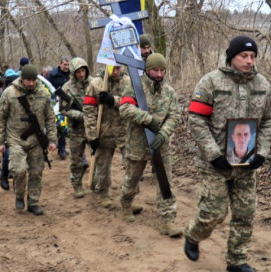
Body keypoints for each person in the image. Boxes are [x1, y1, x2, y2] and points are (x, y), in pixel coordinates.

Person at [184, 36, 271, 272]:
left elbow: (268, 121)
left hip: (246, 162)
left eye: (253, 56)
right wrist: (213, 154)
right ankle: (193, 235)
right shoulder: (211, 82)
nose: (249, 61)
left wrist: (262, 152)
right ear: (231, 56)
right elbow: (196, 119)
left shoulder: (262, 85)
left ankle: (237, 261)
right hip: (215, 164)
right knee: (213, 213)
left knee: (245, 214)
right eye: (243, 56)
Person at [119, 53, 183, 237]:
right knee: (132, 179)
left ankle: (167, 220)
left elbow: (174, 116)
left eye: (162, 70)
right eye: (155, 70)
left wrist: (163, 133)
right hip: (138, 143)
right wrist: (148, 119)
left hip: (160, 144)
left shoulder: (169, 91)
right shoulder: (135, 86)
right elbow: (124, 108)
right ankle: (126, 202)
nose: (159, 73)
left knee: (165, 182)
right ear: (147, 70)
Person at [0, 64, 57, 215]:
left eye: (33, 80)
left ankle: (33, 202)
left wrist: (52, 139)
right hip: (15, 139)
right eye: (27, 80)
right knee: (19, 170)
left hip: (36, 141)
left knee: (36, 172)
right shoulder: (9, 93)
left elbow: (50, 118)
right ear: (22, 79)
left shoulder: (43, 94)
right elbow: (0, 118)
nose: (30, 83)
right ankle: (19, 195)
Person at [83, 65, 130, 209]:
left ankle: (130, 197)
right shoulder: (96, 84)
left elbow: (133, 103)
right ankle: (103, 193)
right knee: (102, 165)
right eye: (113, 69)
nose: (116, 72)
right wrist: (92, 136)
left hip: (124, 130)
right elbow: (89, 111)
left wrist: (113, 100)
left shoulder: (128, 82)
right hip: (103, 131)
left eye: (118, 68)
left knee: (131, 165)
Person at [59, 57, 93, 198]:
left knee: (98, 156)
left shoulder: (93, 84)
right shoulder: (67, 88)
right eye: (78, 72)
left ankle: (96, 181)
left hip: (92, 127)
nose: (81, 74)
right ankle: (77, 184)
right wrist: (79, 115)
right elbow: (63, 109)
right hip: (76, 129)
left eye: (83, 70)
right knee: (76, 160)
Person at [47, 55, 71, 159]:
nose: (66, 67)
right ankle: (56, 146)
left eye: (68, 65)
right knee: (58, 126)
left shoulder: (72, 74)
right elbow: (48, 88)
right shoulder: (53, 75)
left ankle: (62, 148)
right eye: (65, 64)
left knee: (65, 126)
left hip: (68, 104)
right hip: (55, 104)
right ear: (60, 64)